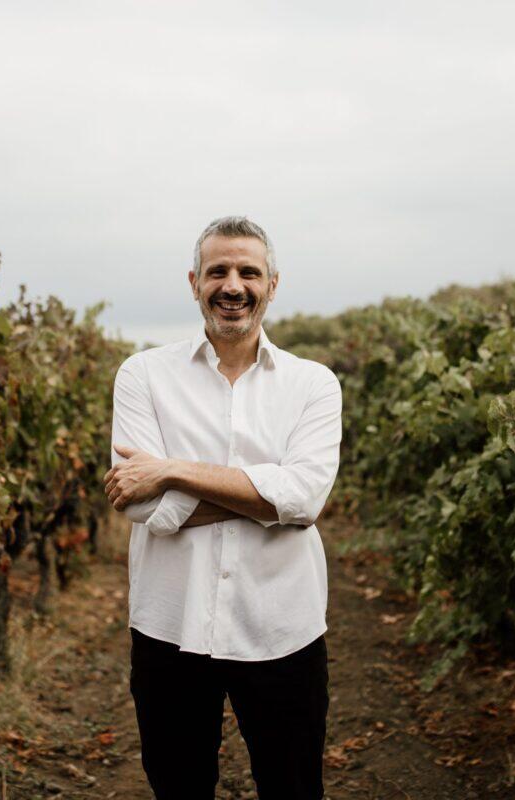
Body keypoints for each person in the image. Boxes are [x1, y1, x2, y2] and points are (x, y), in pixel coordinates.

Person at [104, 215, 343, 799]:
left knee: (293, 788)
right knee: (178, 787)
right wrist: (268, 498)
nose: (232, 285)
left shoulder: (314, 384)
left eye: (248, 272)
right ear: (194, 282)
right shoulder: (143, 375)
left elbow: (306, 497)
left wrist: (173, 470)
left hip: (282, 625)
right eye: (218, 271)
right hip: (170, 624)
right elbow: (138, 507)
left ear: (273, 284)